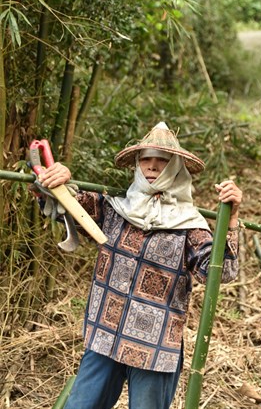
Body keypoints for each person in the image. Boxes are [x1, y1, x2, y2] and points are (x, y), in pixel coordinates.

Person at [37, 122, 242, 409]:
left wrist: (231, 221)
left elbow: (223, 273)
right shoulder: (115, 208)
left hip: (155, 348)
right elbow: (64, 205)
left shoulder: (190, 226)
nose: (153, 166)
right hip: (105, 336)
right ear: (137, 164)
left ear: (176, 167)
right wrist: (60, 180)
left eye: (162, 160)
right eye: (146, 159)